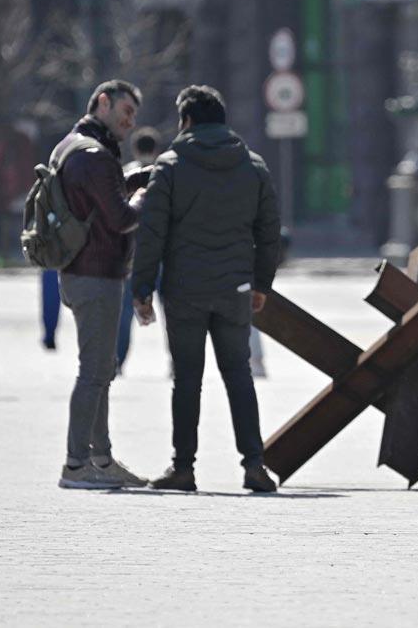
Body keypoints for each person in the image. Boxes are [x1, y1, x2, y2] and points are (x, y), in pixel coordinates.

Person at [131, 85, 282, 493]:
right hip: (235, 288)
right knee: (239, 375)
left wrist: (142, 288)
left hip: (184, 290)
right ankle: (254, 466)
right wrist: (262, 283)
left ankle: (183, 469)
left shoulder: (170, 165)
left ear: (187, 120)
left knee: (187, 379)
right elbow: (269, 233)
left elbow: (152, 232)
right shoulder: (252, 166)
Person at [55, 79, 150, 490]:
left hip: (82, 270)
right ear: (103, 102)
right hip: (95, 274)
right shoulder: (94, 156)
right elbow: (120, 218)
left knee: (100, 368)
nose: (130, 123)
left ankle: (101, 458)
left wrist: (138, 177)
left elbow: (96, 201)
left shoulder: (74, 146)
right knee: (94, 372)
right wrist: (146, 196)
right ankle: (76, 465)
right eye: (126, 112)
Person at [115, 126, 162, 373]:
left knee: (124, 311)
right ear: (156, 149)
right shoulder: (165, 175)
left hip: (132, 252)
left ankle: (118, 361)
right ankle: (176, 361)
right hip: (162, 253)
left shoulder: (126, 175)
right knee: (172, 311)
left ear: (134, 149)